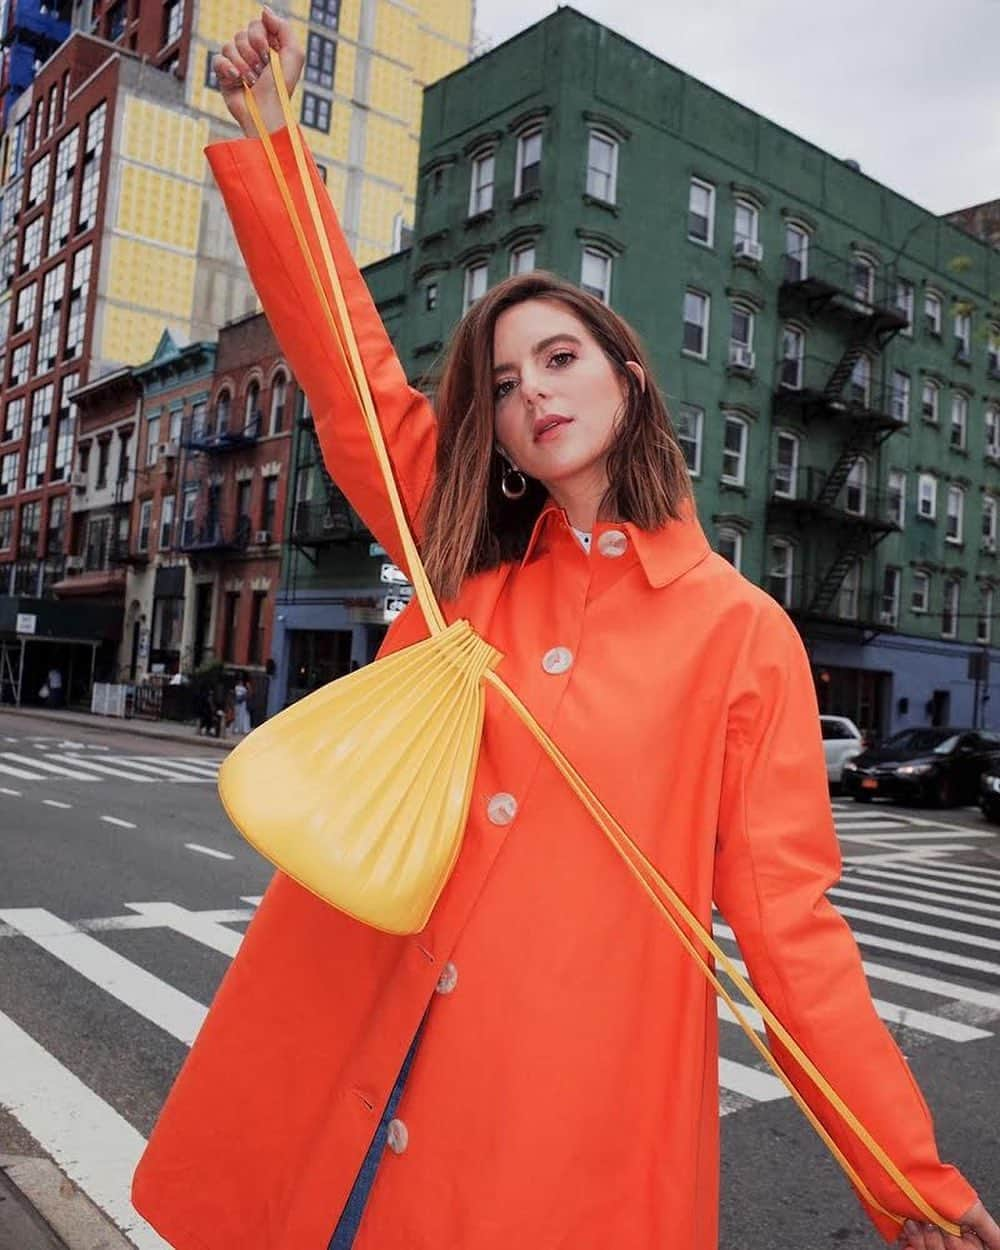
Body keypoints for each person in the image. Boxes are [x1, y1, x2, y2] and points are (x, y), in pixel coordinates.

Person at [131, 11, 998, 1250]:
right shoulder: (466, 545)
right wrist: (274, 141)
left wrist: (908, 1178)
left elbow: (791, 933)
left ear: (628, 374)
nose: (530, 389)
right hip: (351, 1077)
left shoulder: (738, 633)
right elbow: (351, 376)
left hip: (549, 1132)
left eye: (559, 355)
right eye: (499, 378)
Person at [232, 671, 252, 736]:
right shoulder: (236, 684)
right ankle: (236, 728)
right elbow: (234, 693)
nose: (240, 678)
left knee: (244, 715)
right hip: (237, 702)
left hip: (243, 702)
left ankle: (244, 729)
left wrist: (244, 697)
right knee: (237, 715)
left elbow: (250, 693)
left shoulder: (247, 684)